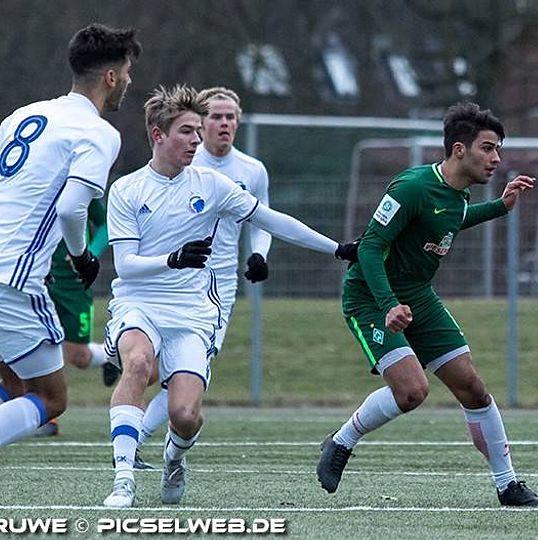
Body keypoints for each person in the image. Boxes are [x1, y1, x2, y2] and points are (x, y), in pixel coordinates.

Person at [101, 85, 356, 508]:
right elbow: (126, 265)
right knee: (139, 362)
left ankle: (173, 458)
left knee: (185, 416)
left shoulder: (214, 184)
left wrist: (337, 248)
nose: (196, 139)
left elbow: (272, 220)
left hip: (192, 311)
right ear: (158, 135)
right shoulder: (127, 189)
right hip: (139, 302)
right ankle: (123, 479)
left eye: (197, 131)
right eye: (187, 131)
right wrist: (173, 259)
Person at [315, 102, 538, 507]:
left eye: (498, 149)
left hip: (418, 295)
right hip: (371, 297)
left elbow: (450, 218)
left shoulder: (457, 194)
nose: (496, 158)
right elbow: (369, 248)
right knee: (411, 391)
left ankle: (508, 485)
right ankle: (341, 441)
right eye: (488, 148)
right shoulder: (412, 187)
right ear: (459, 150)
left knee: (473, 389)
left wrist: (500, 206)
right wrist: (389, 304)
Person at [0, 24, 141, 448]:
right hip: (13, 278)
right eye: (127, 72)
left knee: (16, 381)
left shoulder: (22, 115)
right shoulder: (98, 132)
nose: (129, 81)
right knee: (50, 398)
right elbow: (70, 208)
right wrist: (82, 256)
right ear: (111, 77)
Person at [133, 86, 275, 466]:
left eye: (231, 117)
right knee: (149, 365)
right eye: (216, 116)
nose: (224, 123)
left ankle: (135, 439)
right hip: (170, 277)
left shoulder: (252, 170)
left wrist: (258, 254)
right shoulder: (183, 162)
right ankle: (132, 428)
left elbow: (263, 221)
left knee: (187, 372)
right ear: (200, 122)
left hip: (216, 287)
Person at [0, 198, 118, 437]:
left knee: (79, 356)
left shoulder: (76, 185)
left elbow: (106, 224)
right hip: (31, 280)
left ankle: (111, 354)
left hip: (73, 285)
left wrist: (87, 254)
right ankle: (44, 418)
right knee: (16, 356)